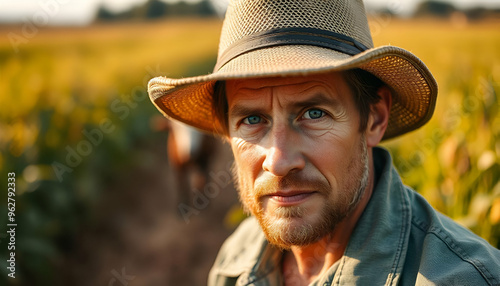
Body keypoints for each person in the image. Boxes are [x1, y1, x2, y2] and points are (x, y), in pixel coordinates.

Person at [148, 0, 500, 285]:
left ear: (374, 118)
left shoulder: (467, 278)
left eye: (313, 114)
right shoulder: (235, 261)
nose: (280, 160)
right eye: (252, 120)